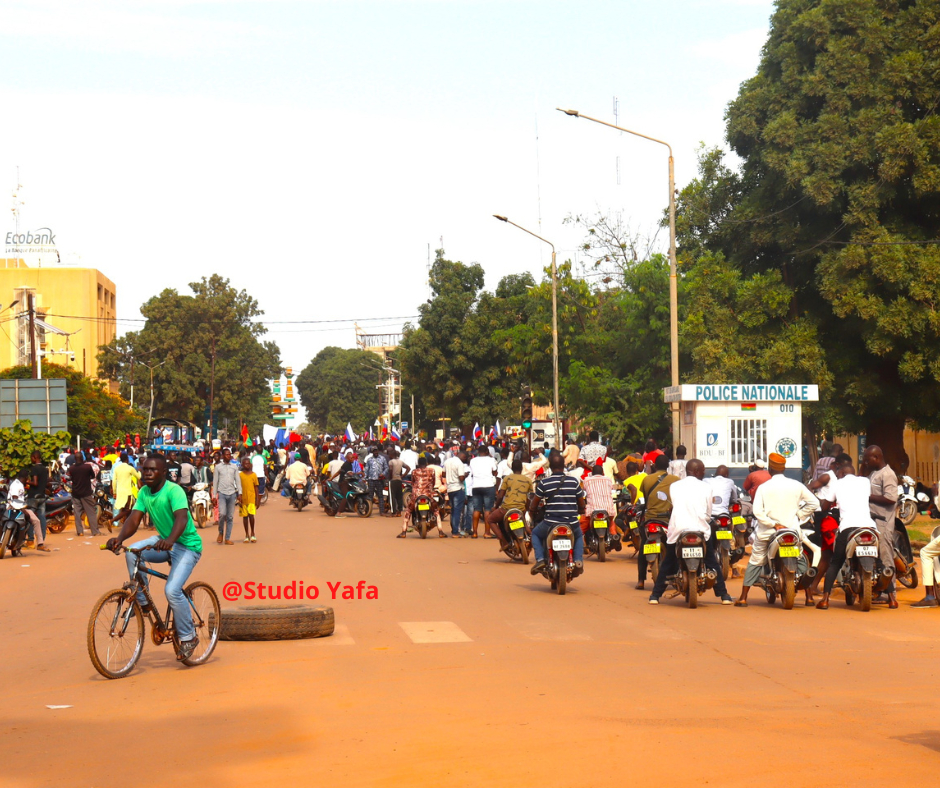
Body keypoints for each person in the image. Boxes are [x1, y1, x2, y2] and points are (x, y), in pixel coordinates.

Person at [106, 455, 203, 661]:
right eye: (145, 469)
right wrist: (119, 538)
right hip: (164, 541)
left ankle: (189, 637)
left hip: (186, 546)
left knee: (172, 590)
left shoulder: (173, 490)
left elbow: (182, 518)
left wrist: (170, 540)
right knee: (131, 551)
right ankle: (143, 604)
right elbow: (134, 518)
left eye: (153, 470)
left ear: (164, 473)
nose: (147, 473)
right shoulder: (143, 492)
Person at [735, 453, 819, 607]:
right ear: (784, 469)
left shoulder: (764, 488)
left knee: (756, 560)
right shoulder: (796, 485)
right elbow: (814, 502)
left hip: (769, 532)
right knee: (801, 559)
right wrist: (800, 515)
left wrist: (774, 524)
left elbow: (758, 512)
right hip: (792, 532)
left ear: (770, 469)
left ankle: (743, 597)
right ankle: (809, 597)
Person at [648, 459, 732, 605]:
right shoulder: (706, 487)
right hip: (700, 530)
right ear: (697, 471)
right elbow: (708, 513)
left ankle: (655, 596)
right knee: (712, 562)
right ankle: (724, 595)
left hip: (678, 530)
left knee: (668, 562)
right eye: (703, 470)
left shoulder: (675, 486)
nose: (705, 472)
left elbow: (674, 505)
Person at [815, 461, 880, 609]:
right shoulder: (865, 481)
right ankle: (891, 598)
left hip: (848, 528)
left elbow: (825, 506)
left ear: (842, 473)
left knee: (836, 562)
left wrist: (825, 508)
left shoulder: (837, 484)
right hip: (869, 526)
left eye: (838, 474)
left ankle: (825, 599)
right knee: (880, 560)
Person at [528, 450, 585, 577]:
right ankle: (578, 560)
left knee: (535, 534)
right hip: (571, 522)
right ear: (563, 466)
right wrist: (581, 510)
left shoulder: (544, 483)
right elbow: (581, 503)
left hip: (550, 523)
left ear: (551, 467)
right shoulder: (573, 482)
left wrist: (532, 512)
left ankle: (540, 560)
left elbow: (535, 503)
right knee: (579, 536)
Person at [636, 455, 680, 590]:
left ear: (655, 465)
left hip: (650, 519)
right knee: (675, 547)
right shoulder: (676, 480)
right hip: (668, 519)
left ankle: (641, 580)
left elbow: (645, 497)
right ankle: (675, 574)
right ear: (668, 466)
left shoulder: (646, 479)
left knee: (643, 547)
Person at [862, 444, 899, 607]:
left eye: (867, 458)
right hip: (871, 520)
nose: (865, 461)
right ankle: (878, 590)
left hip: (883, 522)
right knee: (874, 557)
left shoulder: (887, 474)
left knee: (886, 557)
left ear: (876, 457)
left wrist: (868, 497)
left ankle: (892, 594)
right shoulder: (873, 473)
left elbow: (891, 498)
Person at [485, 458, 533, 552]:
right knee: (527, 526)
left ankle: (504, 542)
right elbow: (530, 498)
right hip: (520, 509)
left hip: (506, 509)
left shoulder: (508, 478)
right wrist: (526, 509)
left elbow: (500, 496)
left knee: (490, 519)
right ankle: (531, 539)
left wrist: (495, 507)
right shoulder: (528, 480)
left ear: (512, 469)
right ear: (522, 468)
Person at [399, 456, 447, 538]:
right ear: (426, 463)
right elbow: (433, 482)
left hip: (416, 495)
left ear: (418, 464)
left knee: (408, 512)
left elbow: (413, 483)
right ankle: (441, 531)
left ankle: (403, 532)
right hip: (428, 494)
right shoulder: (432, 471)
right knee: (436, 512)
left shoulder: (414, 472)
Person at [9, 469, 49, 552]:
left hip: (21, 508)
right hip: (14, 508)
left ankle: (40, 544)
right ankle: (37, 542)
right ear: (26, 478)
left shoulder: (19, 484)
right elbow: (15, 498)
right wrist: (23, 510)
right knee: (34, 520)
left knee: (36, 521)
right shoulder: (16, 485)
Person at [212, 447, 241, 545]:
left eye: (230, 454)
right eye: (227, 454)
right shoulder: (218, 467)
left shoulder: (234, 467)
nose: (229, 456)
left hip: (232, 493)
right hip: (222, 493)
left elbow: (237, 480)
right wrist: (214, 496)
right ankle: (220, 532)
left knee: (230, 517)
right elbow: (215, 482)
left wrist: (239, 493)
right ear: (223, 456)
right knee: (222, 514)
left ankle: (227, 538)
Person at [469, 445, 498, 538]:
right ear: (487, 451)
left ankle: (474, 532)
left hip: (476, 486)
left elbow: (472, 472)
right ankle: (487, 532)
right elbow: (495, 472)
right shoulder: (491, 460)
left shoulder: (473, 461)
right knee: (488, 509)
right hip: (488, 486)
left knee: (477, 509)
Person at [69, 452, 101, 537]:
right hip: (86, 492)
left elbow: (69, 477)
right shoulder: (87, 467)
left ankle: (80, 532)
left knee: (77, 513)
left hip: (75, 493)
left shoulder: (71, 468)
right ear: (82, 459)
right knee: (91, 512)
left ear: (75, 459)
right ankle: (95, 531)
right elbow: (93, 476)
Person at [24, 451, 49, 548]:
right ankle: (41, 540)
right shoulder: (44, 469)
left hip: (33, 496)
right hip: (41, 496)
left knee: (30, 518)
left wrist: (26, 482)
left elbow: (35, 483)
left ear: (34, 457)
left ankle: (30, 541)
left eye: (31, 457)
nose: (31, 459)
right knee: (42, 517)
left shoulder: (34, 468)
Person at [444, 449, 468, 537]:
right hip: (458, 488)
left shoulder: (447, 461)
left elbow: (443, 474)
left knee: (453, 510)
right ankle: (455, 531)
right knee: (457, 511)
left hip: (450, 488)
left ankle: (454, 529)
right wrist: (465, 475)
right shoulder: (460, 464)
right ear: (464, 457)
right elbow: (461, 478)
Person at [112, 451, 142, 524]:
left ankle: (126, 523)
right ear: (127, 459)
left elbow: (114, 481)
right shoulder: (130, 468)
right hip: (127, 492)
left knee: (123, 509)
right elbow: (138, 476)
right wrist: (139, 472)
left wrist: (114, 492)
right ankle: (111, 521)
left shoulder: (117, 468)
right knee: (128, 509)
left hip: (119, 491)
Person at [364, 445, 390, 517]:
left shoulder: (382, 459)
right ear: (372, 452)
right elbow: (366, 469)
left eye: (376, 450)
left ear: (378, 451)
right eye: (374, 451)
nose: (375, 452)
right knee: (370, 496)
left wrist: (383, 474)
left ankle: (382, 511)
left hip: (379, 480)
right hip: (371, 479)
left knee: (380, 496)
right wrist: (365, 478)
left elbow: (386, 468)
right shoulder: (369, 460)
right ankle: (368, 511)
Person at [238, 457, 259, 542]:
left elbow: (256, 487)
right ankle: (246, 534)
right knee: (245, 517)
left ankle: (253, 533)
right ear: (242, 465)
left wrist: (257, 499)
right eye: (245, 464)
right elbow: (238, 487)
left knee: (251, 516)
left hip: (251, 499)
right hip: (243, 499)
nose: (247, 465)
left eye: (248, 463)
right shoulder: (240, 475)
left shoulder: (254, 475)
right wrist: (238, 497)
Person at [387, 449, 407, 516]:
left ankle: (393, 512)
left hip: (393, 480)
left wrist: (390, 477)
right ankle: (399, 511)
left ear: (392, 455)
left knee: (392, 496)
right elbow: (408, 468)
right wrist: (403, 476)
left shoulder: (391, 462)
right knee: (399, 496)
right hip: (399, 480)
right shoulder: (400, 461)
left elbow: (390, 469)